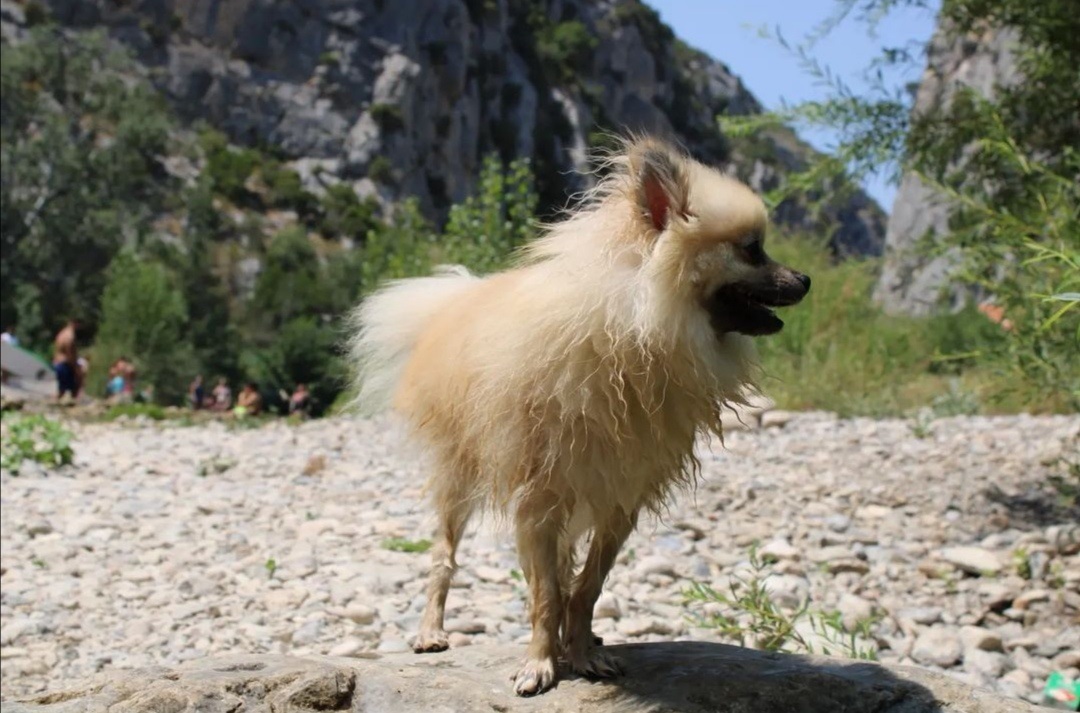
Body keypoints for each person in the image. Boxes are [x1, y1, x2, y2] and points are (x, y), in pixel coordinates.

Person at [53, 319, 80, 402]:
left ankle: (56, 405)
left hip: (57, 363)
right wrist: (75, 367)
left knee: (62, 389)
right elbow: (70, 353)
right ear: (75, 324)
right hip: (65, 364)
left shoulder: (61, 334)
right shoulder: (70, 336)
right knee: (74, 387)